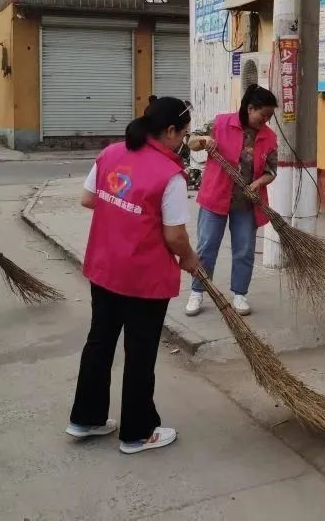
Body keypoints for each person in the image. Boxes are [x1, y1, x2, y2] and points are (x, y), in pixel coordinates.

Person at [67, 97, 199, 454]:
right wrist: (189, 259)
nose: (183, 142)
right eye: (183, 135)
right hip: (143, 277)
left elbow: (88, 199)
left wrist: (122, 211)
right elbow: (174, 235)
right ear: (170, 131)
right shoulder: (169, 174)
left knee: (100, 341)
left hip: (105, 268)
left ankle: (86, 419)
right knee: (140, 352)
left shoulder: (111, 153)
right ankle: (137, 432)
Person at [184, 84, 278, 317]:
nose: (265, 121)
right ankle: (198, 291)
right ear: (250, 108)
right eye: (263, 115)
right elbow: (191, 141)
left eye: (269, 117)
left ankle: (239, 294)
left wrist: (257, 184)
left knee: (244, 249)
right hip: (215, 195)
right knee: (207, 246)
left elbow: (271, 171)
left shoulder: (269, 137)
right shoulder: (221, 123)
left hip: (246, 202)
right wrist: (205, 140)